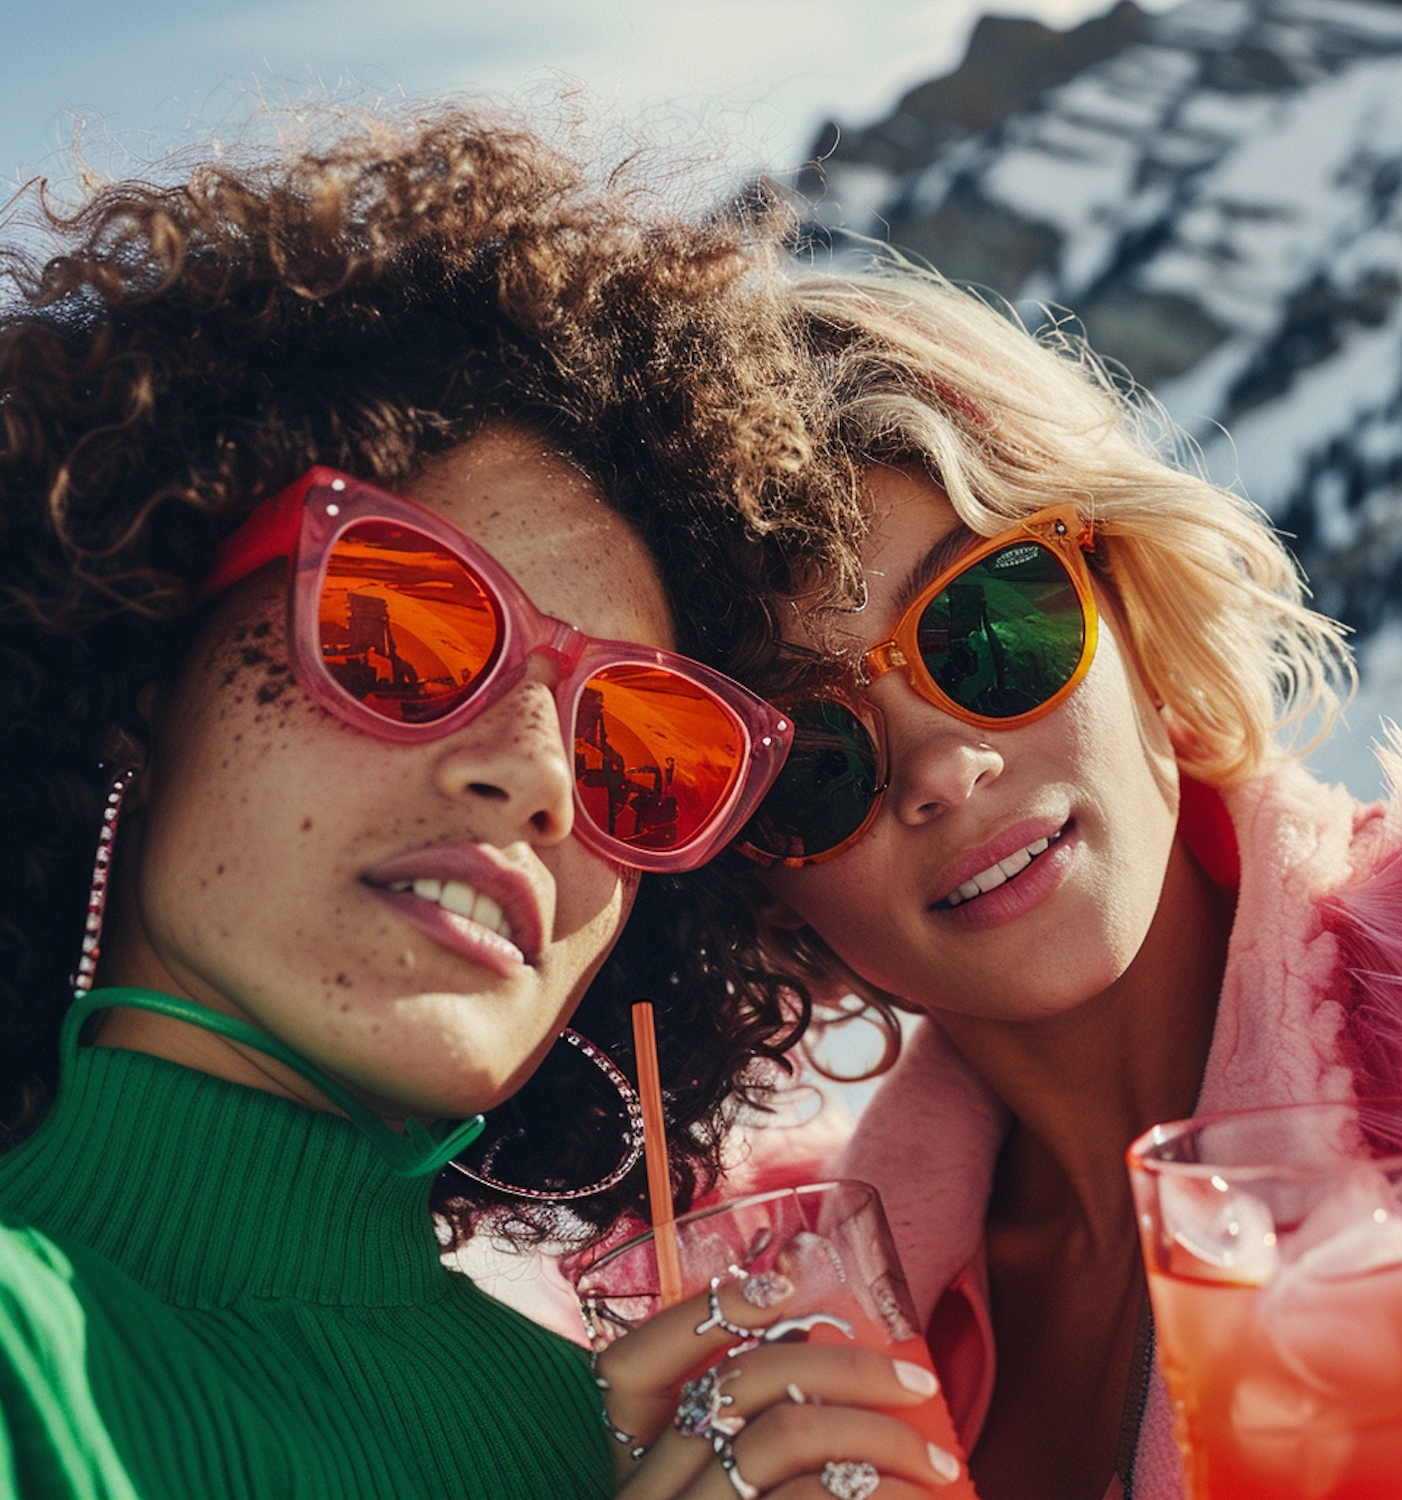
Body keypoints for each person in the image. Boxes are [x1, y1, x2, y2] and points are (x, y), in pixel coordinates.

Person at [0, 108, 966, 1500]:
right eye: (408, 635)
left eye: (641, 748)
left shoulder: (633, 1444)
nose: (540, 776)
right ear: (142, 670)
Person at [704, 259, 1402, 1500]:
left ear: (1134, 609)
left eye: (992, 626)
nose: (946, 769)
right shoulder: (782, 1334)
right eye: (812, 754)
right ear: (753, 872)